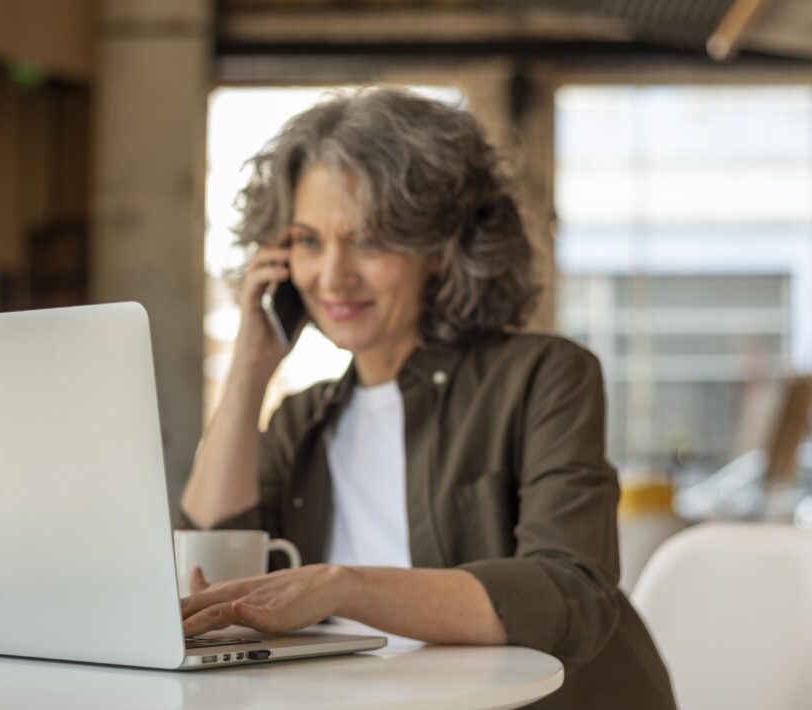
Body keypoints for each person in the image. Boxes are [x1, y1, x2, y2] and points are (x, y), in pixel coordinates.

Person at [178, 88, 675, 709]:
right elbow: (213, 554)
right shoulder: (303, 419)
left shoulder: (546, 375)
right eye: (308, 241)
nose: (332, 275)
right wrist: (250, 368)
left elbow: (567, 593)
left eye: (368, 240)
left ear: (438, 250)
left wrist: (342, 587)